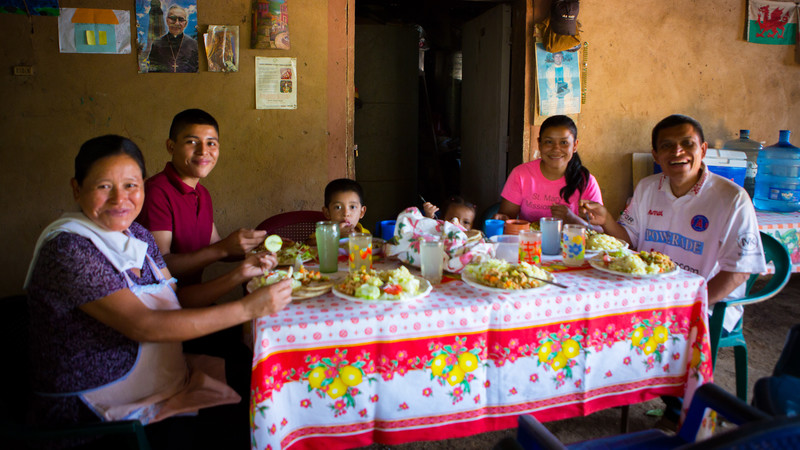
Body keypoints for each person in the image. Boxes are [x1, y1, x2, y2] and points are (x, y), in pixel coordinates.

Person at [24, 135, 292, 449]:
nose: (119, 199)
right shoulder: (70, 248)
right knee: (246, 422)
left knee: (262, 382)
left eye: (130, 185)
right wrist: (247, 309)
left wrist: (238, 275)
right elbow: (145, 325)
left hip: (160, 380)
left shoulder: (136, 235)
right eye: (103, 186)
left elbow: (174, 302)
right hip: (97, 413)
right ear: (76, 188)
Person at [582, 114, 767, 330]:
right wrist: (606, 220)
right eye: (667, 146)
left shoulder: (732, 198)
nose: (677, 152)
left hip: (706, 304)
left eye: (687, 144)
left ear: (703, 150)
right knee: (593, 319)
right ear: (656, 156)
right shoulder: (647, 188)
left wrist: (691, 303)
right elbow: (629, 241)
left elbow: (739, 270)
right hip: (650, 295)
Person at [137, 108, 267, 288]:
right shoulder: (157, 192)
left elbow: (217, 246)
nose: (203, 151)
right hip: (164, 304)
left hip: (195, 298)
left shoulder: (202, 193)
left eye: (211, 143)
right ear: (171, 146)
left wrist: (262, 247)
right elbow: (160, 265)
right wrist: (222, 248)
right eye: (192, 142)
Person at [494, 115, 602, 229]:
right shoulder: (521, 174)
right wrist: (501, 220)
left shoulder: (586, 181)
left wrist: (573, 220)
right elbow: (506, 219)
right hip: (530, 244)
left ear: (575, 145)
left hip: (572, 245)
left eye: (564, 142)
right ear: (539, 144)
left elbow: (599, 230)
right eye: (549, 142)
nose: (556, 149)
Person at [147, 5, 199, 73]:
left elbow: (197, 71)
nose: (176, 23)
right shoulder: (157, 44)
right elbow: (152, 71)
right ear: (167, 20)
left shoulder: (194, 44)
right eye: (173, 19)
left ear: (185, 23)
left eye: (181, 19)